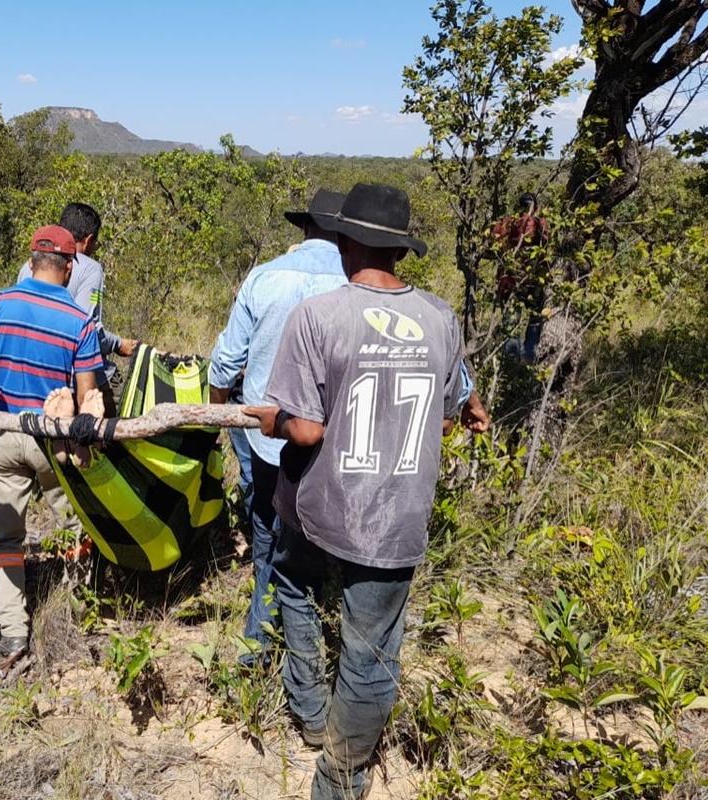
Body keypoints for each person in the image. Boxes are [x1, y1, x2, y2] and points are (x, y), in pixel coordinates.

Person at [246, 183, 490, 800]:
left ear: (345, 240)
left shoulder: (320, 315)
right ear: (401, 250)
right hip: (398, 518)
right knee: (372, 652)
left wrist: (268, 418)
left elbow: (304, 427)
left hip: (318, 506)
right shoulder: (440, 317)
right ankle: (341, 782)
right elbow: (446, 413)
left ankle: (306, 710)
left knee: (293, 583)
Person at [0, 225, 103, 660]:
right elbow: (87, 398)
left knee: (5, 538)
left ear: (31, 263)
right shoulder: (80, 320)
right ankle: (80, 609)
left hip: (5, 436)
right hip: (52, 440)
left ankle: (13, 632)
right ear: (69, 269)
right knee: (73, 525)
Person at [209, 190, 349, 660]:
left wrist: (219, 413)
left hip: (268, 433)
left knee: (267, 527)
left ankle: (259, 642)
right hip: (335, 439)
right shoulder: (357, 284)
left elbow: (225, 364)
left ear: (305, 228)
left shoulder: (264, 277)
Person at [18, 203, 137, 414]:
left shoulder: (29, 268)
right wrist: (118, 344)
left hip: (34, 379)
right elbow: (89, 330)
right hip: (78, 380)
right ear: (89, 239)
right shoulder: (91, 269)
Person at [489, 192, 550, 362]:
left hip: (508, 282)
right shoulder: (541, 224)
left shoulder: (506, 224)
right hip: (533, 282)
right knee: (535, 322)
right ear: (535, 207)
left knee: (510, 324)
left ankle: (511, 366)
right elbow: (546, 248)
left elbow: (491, 249)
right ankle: (529, 362)